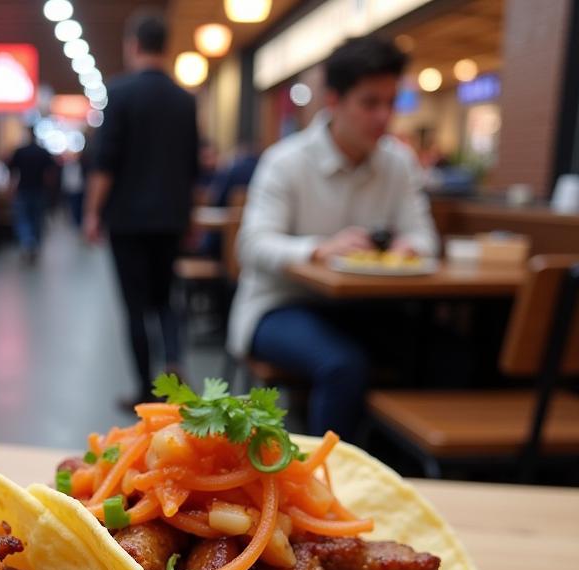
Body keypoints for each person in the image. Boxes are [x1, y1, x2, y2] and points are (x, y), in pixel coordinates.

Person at [227, 36, 438, 438]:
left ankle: (403, 468)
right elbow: (251, 244)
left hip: (364, 306)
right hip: (278, 304)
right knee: (343, 365)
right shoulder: (286, 162)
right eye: (370, 102)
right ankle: (324, 484)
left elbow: (424, 237)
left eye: (390, 103)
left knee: (444, 354)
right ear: (333, 101)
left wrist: (407, 248)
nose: (383, 117)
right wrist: (319, 248)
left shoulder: (398, 163)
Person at [84, 10, 200, 406]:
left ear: (133, 45)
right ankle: (175, 361)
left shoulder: (120, 93)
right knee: (167, 298)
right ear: (166, 48)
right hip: (171, 217)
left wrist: (92, 213)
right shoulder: (185, 100)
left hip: (128, 219)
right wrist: (191, 216)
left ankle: (145, 389)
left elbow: (106, 163)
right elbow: (192, 168)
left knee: (135, 307)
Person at [6, 126, 55, 263]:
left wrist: (11, 189)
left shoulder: (20, 152)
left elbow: (12, 172)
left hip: (23, 190)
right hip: (39, 190)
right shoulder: (43, 152)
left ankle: (27, 242)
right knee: (37, 220)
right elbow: (50, 173)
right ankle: (35, 244)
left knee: (23, 219)